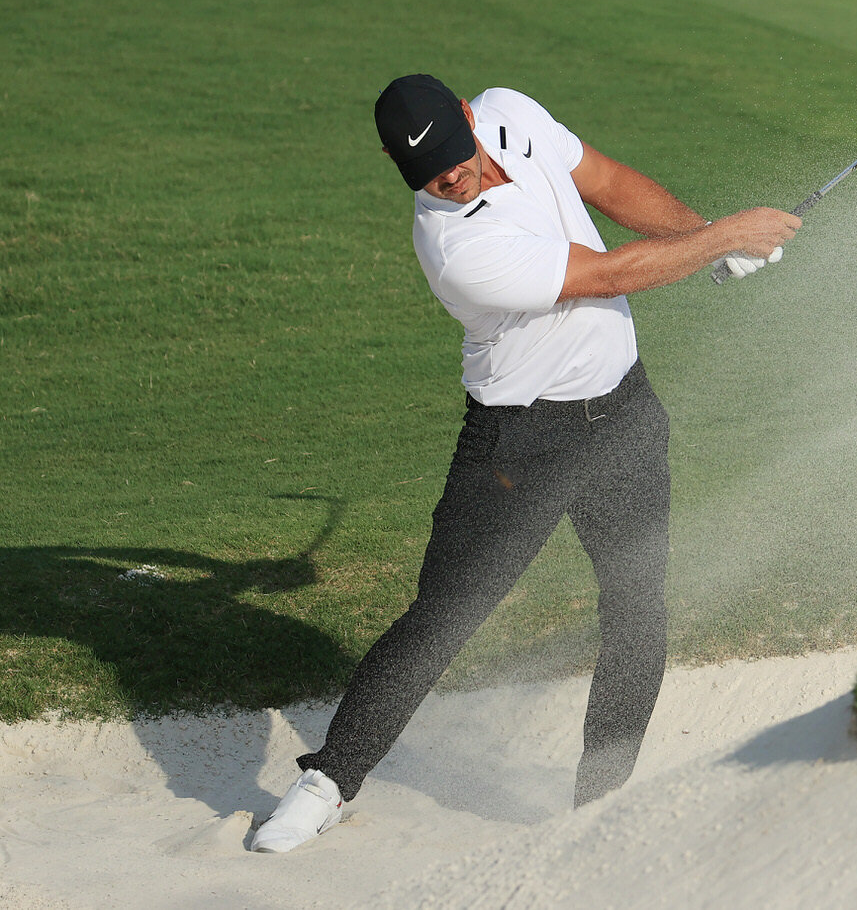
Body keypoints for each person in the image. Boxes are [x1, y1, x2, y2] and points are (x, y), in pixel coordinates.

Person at [250, 74, 798, 853]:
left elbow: (605, 181)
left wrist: (701, 231)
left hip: (625, 415)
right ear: (392, 163)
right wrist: (721, 240)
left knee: (638, 607)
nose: (448, 176)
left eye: (452, 153)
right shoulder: (455, 245)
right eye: (427, 173)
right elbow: (601, 275)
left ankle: (598, 806)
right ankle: (329, 782)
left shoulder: (513, 113)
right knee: (443, 620)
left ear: (471, 117)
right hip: (521, 444)